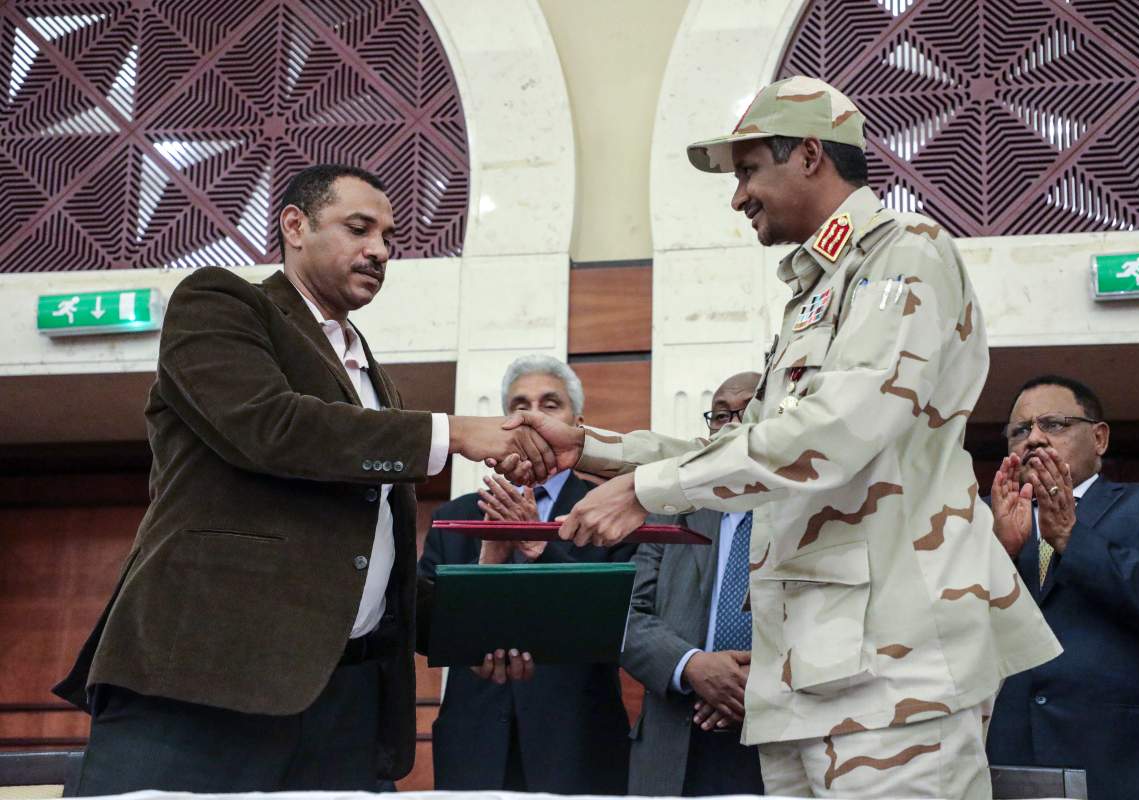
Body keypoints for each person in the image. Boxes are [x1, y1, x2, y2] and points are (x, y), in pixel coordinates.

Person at [504, 76, 1062, 799]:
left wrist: (645, 491)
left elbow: (830, 432)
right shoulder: (819, 289)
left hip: (895, 676)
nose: (738, 196)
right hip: (813, 669)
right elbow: (766, 438)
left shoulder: (906, 255)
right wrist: (594, 447)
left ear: (807, 155)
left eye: (746, 171)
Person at [52, 164, 551, 794]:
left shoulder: (378, 381)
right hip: (206, 686)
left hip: (348, 706)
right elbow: (270, 427)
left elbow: (369, 570)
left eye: (389, 237)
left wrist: (483, 630)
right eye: (359, 227)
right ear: (295, 225)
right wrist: (454, 433)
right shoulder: (221, 304)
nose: (379, 250)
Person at [418, 355, 636, 794]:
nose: (533, 416)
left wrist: (541, 547)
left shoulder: (610, 511)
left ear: (578, 420)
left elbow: (622, 623)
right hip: (473, 739)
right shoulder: (455, 517)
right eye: (520, 405)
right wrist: (490, 557)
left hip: (576, 742)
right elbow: (430, 628)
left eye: (549, 404)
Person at [985, 375, 1139, 800]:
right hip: (1008, 764)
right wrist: (1000, 557)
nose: (1035, 439)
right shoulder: (983, 521)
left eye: (1055, 423)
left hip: (1130, 768)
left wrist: (1071, 538)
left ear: (1099, 438)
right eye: (1020, 430)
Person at [622, 371, 765, 796]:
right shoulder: (671, 508)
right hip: (676, 745)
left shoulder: (809, 513)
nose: (733, 426)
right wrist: (694, 667)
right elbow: (625, 615)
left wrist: (754, 687)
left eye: (747, 412)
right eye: (721, 416)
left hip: (781, 742)